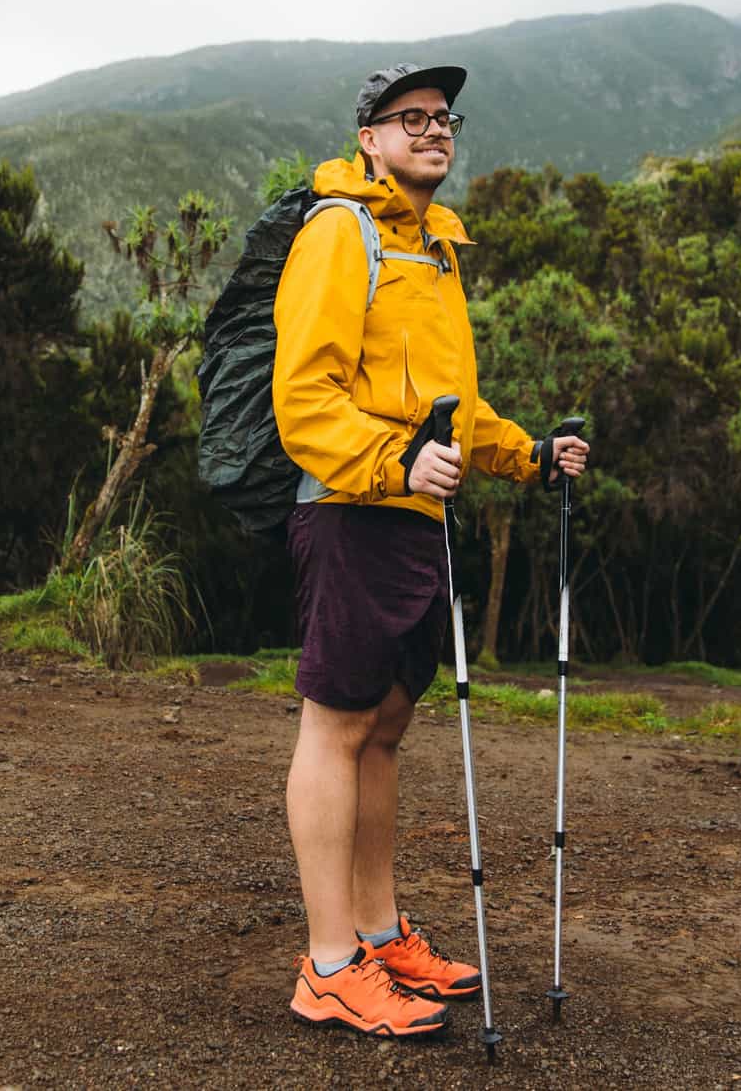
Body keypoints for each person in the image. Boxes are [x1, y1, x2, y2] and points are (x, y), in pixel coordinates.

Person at [271, 62, 590, 1037]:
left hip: (419, 518)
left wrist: (530, 457)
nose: (431, 129)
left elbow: (455, 411)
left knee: (383, 732)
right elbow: (304, 396)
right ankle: (326, 965)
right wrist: (390, 465)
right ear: (367, 137)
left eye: (442, 116)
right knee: (333, 728)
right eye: (407, 118)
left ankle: (375, 932)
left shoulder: (438, 252)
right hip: (351, 508)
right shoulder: (341, 232)